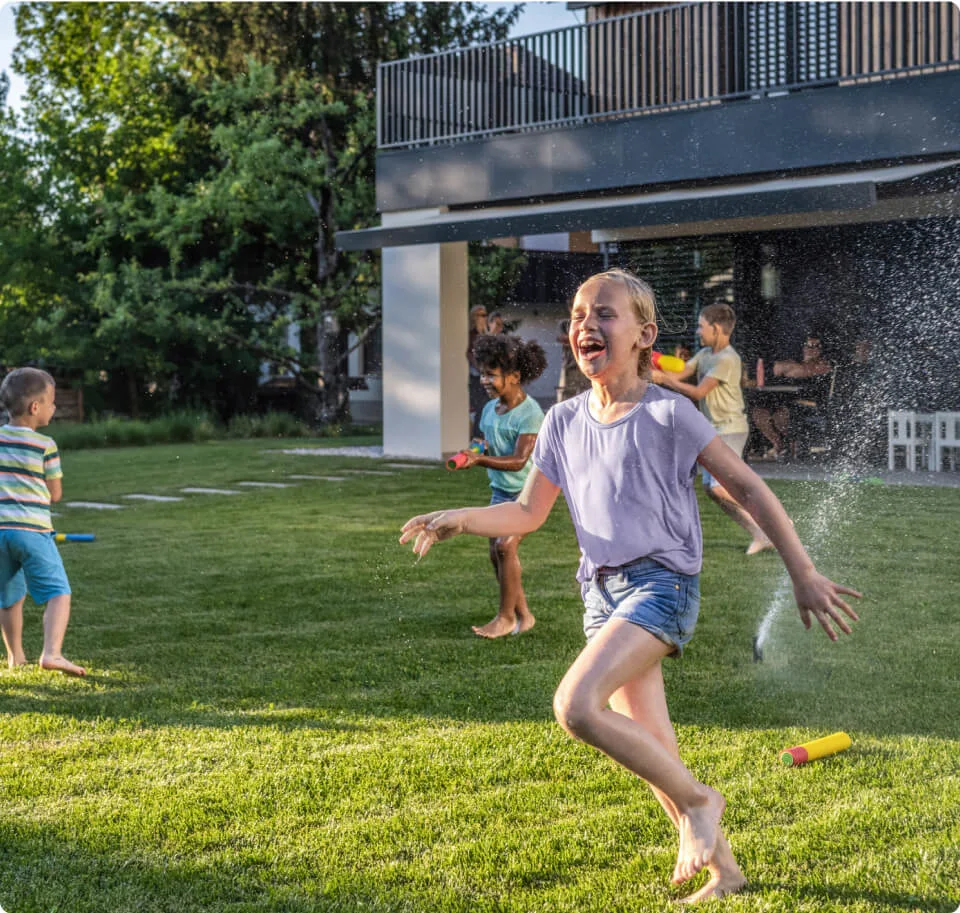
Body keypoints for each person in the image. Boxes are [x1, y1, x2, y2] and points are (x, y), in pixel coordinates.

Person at [401, 269, 860, 903]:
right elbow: (528, 513)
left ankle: (704, 801)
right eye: (579, 314)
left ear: (645, 335)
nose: (587, 323)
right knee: (653, 754)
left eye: (605, 314)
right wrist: (459, 518)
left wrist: (802, 571)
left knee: (575, 707)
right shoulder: (562, 420)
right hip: (601, 594)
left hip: (660, 586)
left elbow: (751, 488)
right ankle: (725, 870)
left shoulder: (669, 414)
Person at [652, 303, 773, 556]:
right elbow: (684, 370)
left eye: (701, 326)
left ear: (716, 328)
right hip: (714, 429)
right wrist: (656, 359)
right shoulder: (706, 354)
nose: (698, 331)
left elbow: (698, 392)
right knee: (712, 489)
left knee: (719, 487)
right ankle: (761, 533)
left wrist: (664, 379)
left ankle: (774, 520)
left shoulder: (728, 359)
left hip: (730, 428)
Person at [458, 333, 547, 638]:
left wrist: (479, 461)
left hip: (526, 493)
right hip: (500, 492)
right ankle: (524, 614)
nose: (484, 380)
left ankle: (505, 617)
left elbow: (520, 460)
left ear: (514, 376)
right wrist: (476, 450)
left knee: (505, 546)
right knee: (496, 555)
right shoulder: (489, 409)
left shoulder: (531, 413)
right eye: (482, 373)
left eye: (491, 374)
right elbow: (483, 442)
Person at [0, 368, 86, 676]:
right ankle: (52, 653)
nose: (54, 408)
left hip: (0, 533)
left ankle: (15, 656)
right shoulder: (45, 445)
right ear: (36, 408)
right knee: (58, 593)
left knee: (9, 598)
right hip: (33, 532)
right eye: (51, 402)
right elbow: (55, 493)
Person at [750, 334, 833, 459]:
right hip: (782, 398)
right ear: (803, 348)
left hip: (807, 403)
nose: (812, 349)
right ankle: (778, 443)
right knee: (759, 413)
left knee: (781, 415)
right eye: (808, 345)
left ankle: (792, 444)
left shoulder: (823, 366)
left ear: (821, 350)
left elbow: (805, 372)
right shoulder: (792, 363)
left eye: (816, 346)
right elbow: (776, 370)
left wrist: (790, 368)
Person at [556, 318, 591, 402]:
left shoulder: (585, 323)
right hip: (569, 367)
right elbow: (561, 338)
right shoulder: (565, 324)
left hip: (582, 366)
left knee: (585, 393)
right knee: (567, 393)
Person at [467, 305, 489, 438]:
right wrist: (480, 369)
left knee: (486, 409)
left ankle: (483, 441)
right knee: (481, 409)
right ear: (474, 317)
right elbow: (469, 353)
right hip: (476, 377)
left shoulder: (485, 334)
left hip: (485, 377)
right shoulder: (472, 335)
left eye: (485, 315)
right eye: (482, 315)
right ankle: (477, 441)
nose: (485, 318)